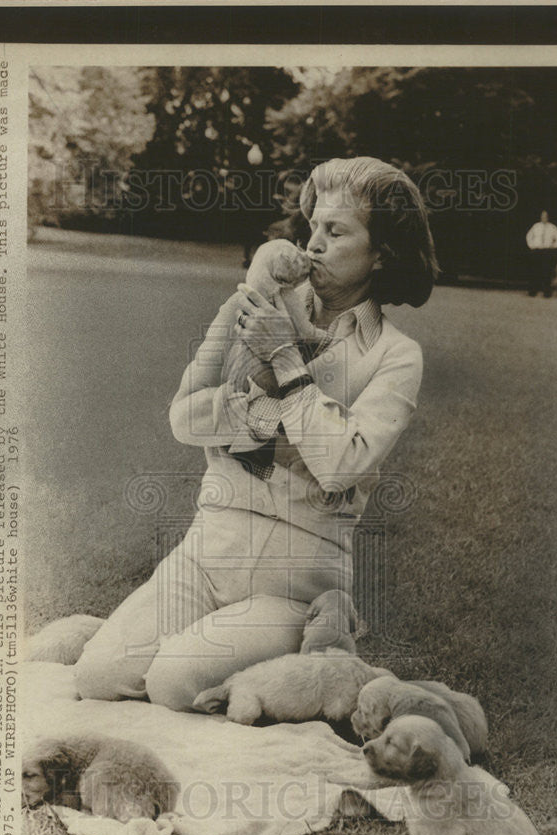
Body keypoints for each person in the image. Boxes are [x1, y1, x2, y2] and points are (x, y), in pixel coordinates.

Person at [74, 156, 438, 710]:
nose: (312, 243)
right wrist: (271, 414)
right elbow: (183, 417)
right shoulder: (257, 301)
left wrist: (286, 363)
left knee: (173, 682)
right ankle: (204, 647)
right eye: (313, 225)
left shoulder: (395, 356)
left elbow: (340, 463)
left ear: (381, 252)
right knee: (97, 677)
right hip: (206, 553)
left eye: (335, 231)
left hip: (293, 584)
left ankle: (321, 634)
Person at [526, 210, 557, 297]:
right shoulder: (536, 226)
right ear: (540, 217)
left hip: (547, 251)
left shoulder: (552, 227)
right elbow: (529, 236)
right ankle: (532, 291)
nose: (544, 218)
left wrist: (554, 245)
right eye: (542, 216)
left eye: (545, 216)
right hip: (537, 250)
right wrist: (532, 246)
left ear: (548, 217)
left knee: (546, 272)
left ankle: (547, 292)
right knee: (534, 271)